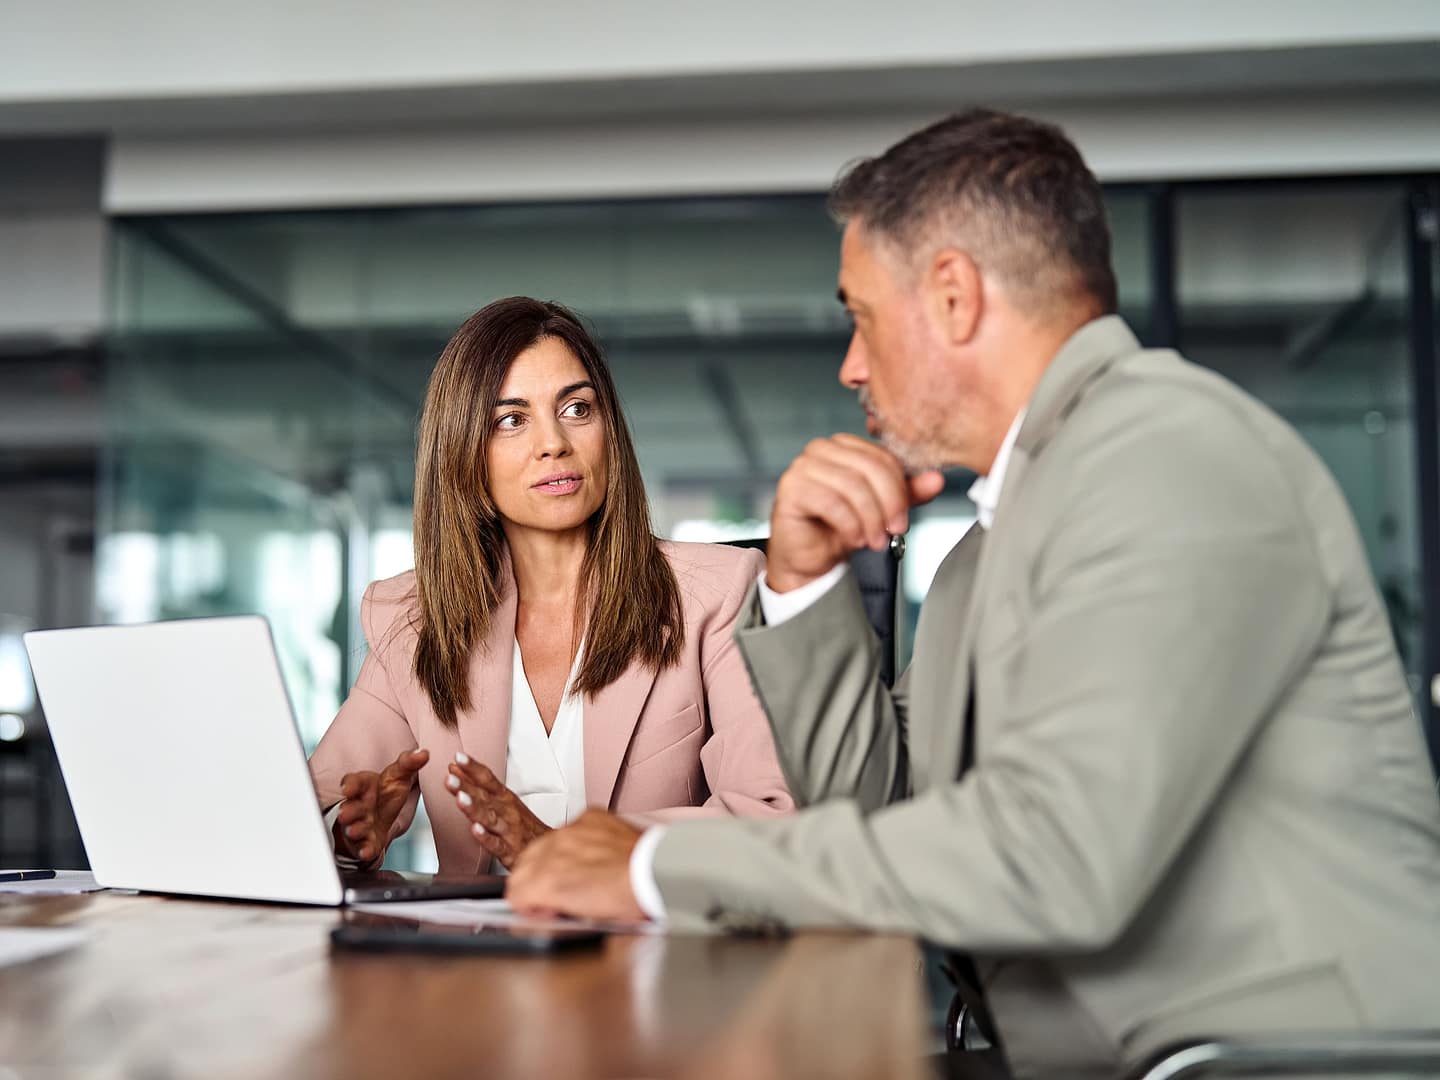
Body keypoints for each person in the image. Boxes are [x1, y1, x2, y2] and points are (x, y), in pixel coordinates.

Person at [505, 111, 1440, 1075]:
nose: (850, 366)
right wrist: (800, 589)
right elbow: (875, 812)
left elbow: (1053, 855)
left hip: (1276, 1059)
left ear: (953, 297)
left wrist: (655, 868)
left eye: (860, 316)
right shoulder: (982, 556)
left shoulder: (1170, 454)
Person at [308, 297, 793, 876]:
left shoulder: (718, 593)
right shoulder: (409, 619)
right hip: (472, 960)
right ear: (465, 455)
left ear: (609, 432)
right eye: (511, 419)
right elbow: (315, 804)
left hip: (649, 953)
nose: (554, 443)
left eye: (578, 409)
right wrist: (350, 827)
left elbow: (771, 817)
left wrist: (562, 848)